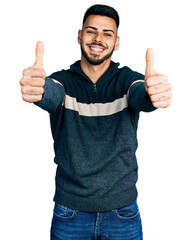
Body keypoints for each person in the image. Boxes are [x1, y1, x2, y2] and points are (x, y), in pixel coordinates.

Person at [20, 4, 172, 240]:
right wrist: (38, 90)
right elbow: (51, 93)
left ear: (117, 42)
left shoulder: (127, 80)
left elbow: (140, 94)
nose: (98, 39)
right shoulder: (62, 82)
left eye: (107, 33)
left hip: (123, 214)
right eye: (91, 31)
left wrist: (153, 95)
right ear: (80, 36)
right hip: (69, 213)